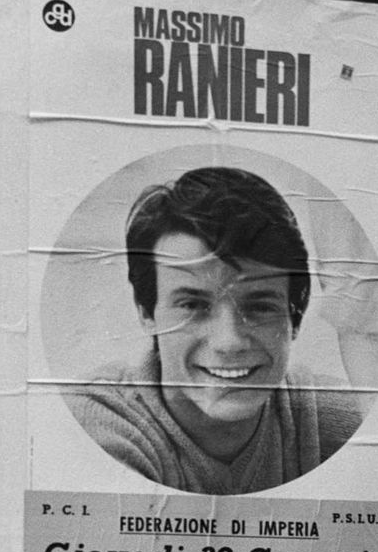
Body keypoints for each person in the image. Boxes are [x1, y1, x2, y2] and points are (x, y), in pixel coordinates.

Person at [64, 165, 361, 495]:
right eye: (193, 305)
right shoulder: (94, 423)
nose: (229, 342)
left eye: (260, 307)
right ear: (147, 313)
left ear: (295, 317)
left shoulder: (333, 417)